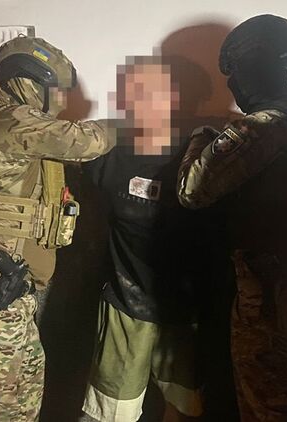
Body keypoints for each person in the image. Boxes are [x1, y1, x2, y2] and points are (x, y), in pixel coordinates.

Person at [0, 36, 115, 421]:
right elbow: (88, 141)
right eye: (57, 91)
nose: (61, 101)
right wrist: (133, 121)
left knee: (23, 390)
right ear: (31, 83)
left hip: (2, 288)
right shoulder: (6, 121)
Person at [178, 14, 287, 421]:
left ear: (251, 68)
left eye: (236, 74)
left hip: (265, 297)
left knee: (265, 403)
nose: (233, 85)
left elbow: (191, 191)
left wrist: (201, 136)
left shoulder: (263, 127)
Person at [80, 57, 207, 422]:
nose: (139, 102)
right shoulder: (106, 155)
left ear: (173, 97)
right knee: (109, 414)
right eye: (131, 92)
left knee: (183, 409)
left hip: (183, 308)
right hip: (125, 304)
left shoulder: (200, 158)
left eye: (151, 91)